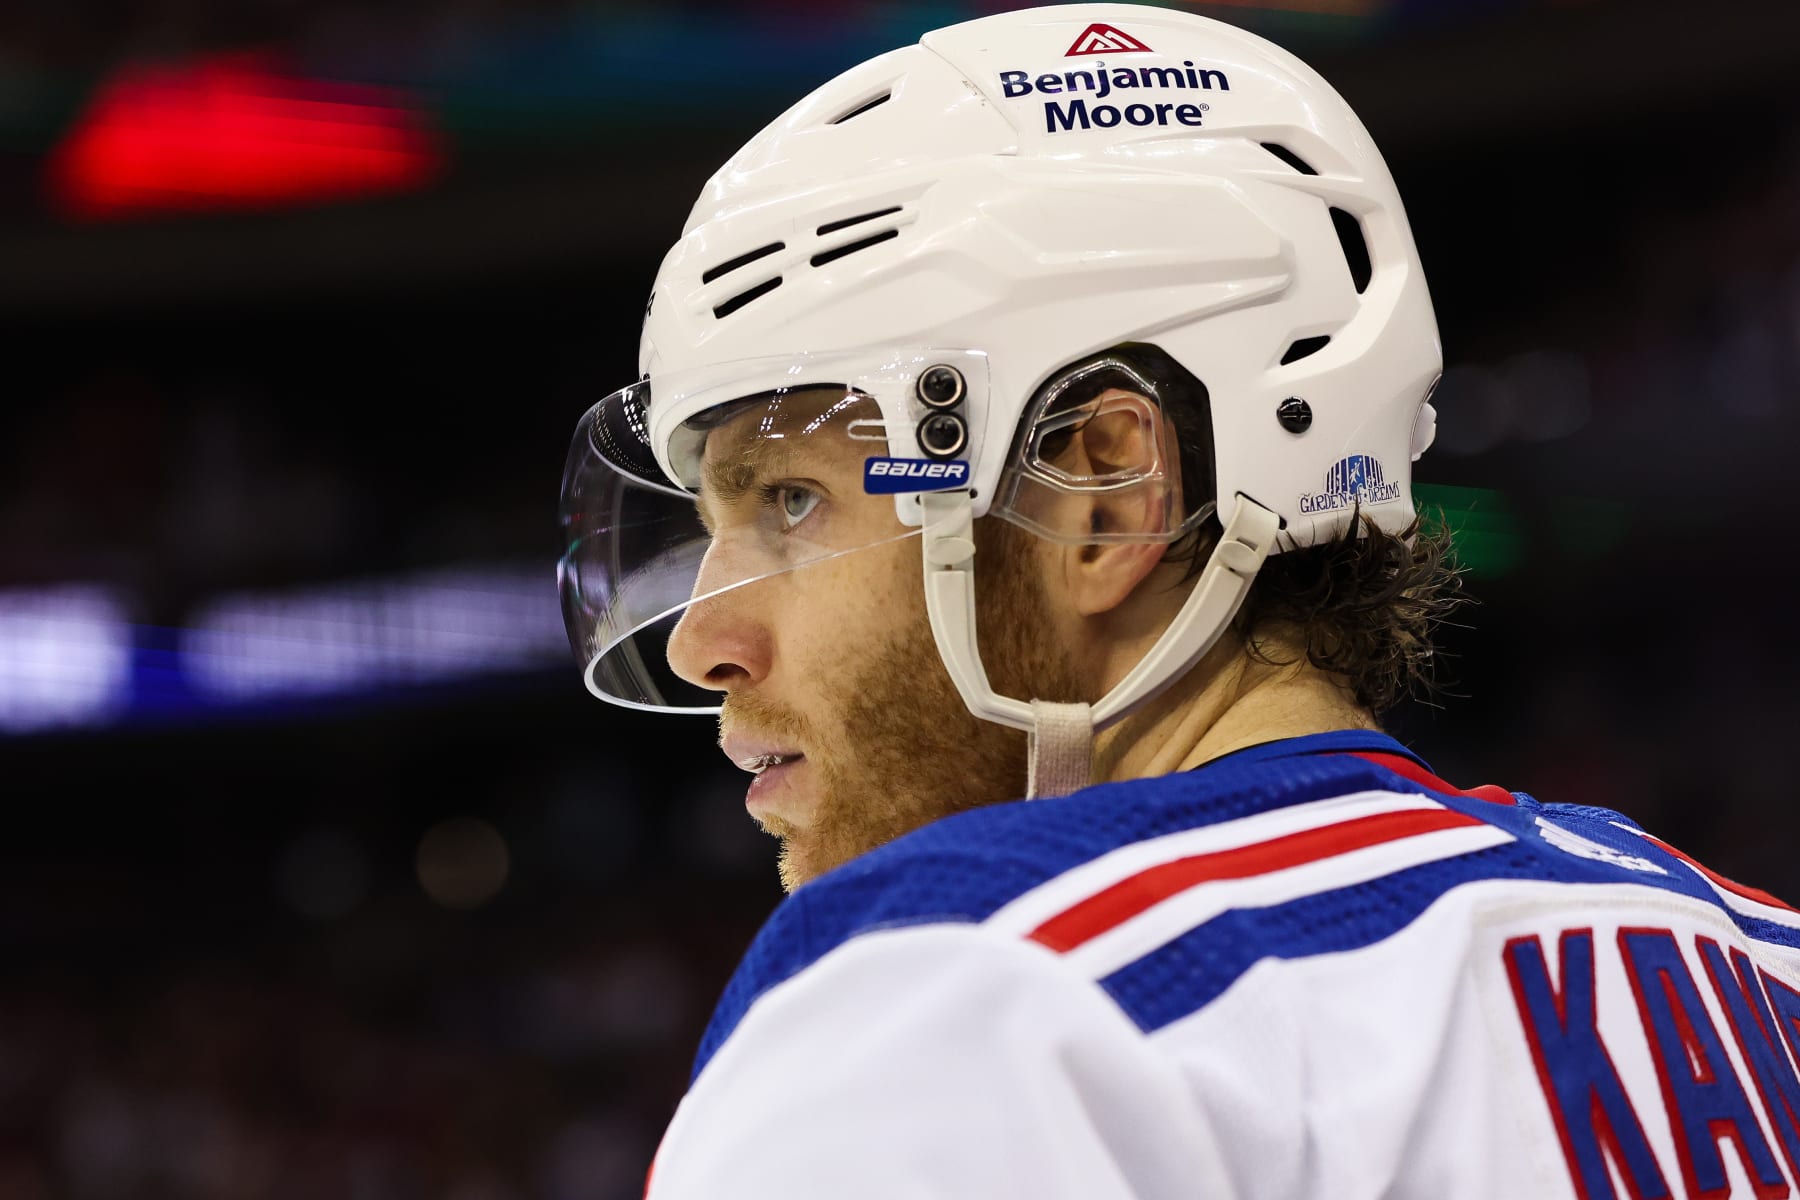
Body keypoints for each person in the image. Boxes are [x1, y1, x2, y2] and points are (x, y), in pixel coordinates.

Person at [557, 5, 1800, 1196]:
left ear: (1100, 496)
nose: (706, 641)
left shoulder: (952, 985)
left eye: (787, 501)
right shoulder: (1763, 963)